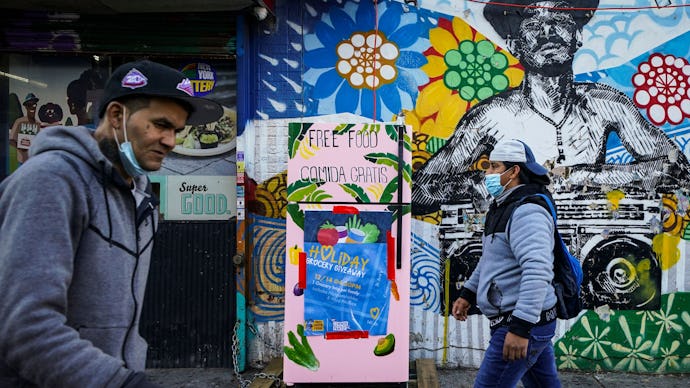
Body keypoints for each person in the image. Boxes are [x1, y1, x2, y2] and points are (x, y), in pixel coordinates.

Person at [0, 60, 223, 387]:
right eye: (160, 124)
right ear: (117, 116)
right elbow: (25, 328)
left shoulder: (138, 195)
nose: (170, 141)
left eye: (177, 130)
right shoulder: (51, 181)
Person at [412, 0, 689, 214]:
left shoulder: (607, 104)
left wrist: (581, 176)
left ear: (578, 36)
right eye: (532, 23)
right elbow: (419, 191)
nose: (548, 32)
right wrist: (490, 183)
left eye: (560, 19)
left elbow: (677, 170)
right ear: (514, 45)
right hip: (519, 254)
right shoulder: (492, 115)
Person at [452, 139, 560, 387]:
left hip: (521, 323)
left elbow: (537, 270)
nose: (487, 173)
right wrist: (468, 293)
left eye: (494, 167)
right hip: (530, 321)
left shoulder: (527, 212)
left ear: (514, 171)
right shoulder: (503, 207)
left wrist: (521, 328)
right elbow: (492, 258)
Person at [9, 92, 42, 165]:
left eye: (34, 104)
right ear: (26, 106)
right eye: (29, 105)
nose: (32, 106)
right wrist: (21, 147)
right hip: (21, 161)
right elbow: (11, 140)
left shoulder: (38, 124)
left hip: (34, 161)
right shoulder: (19, 121)